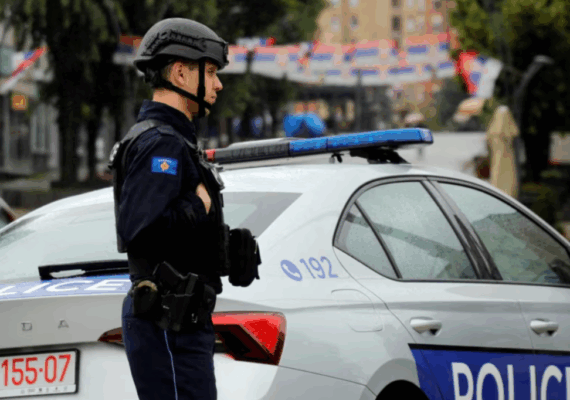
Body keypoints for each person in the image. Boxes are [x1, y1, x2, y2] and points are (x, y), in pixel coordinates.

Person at [108, 18, 259, 400]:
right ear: (180, 72)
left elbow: (171, 235)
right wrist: (198, 204)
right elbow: (141, 230)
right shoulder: (162, 143)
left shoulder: (174, 139)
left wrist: (225, 248)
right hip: (167, 320)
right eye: (210, 72)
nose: (218, 84)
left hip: (179, 319)